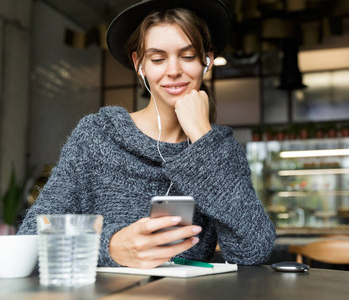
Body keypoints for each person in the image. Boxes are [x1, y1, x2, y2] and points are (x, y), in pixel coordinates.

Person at [18, 0, 276, 269]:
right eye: (157, 59)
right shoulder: (97, 135)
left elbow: (254, 250)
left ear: (206, 61)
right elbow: (31, 240)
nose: (174, 70)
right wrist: (110, 246)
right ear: (139, 64)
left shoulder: (219, 149)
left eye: (188, 56)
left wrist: (203, 138)